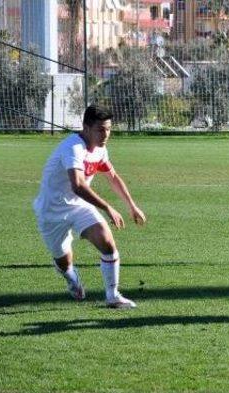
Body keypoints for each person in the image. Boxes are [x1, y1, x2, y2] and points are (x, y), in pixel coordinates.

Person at [33, 105, 146, 309]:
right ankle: (70, 276)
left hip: (79, 207)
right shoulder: (73, 147)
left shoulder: (100, 149)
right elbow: (77, 185)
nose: (105, 135)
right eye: (100, 129)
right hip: (51, 211)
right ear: (86, 127)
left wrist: (132, 205)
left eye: (109, 129)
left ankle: (112, 296)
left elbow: (112, 177)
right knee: (64, 262)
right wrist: (107, 207)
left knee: (107, 242)